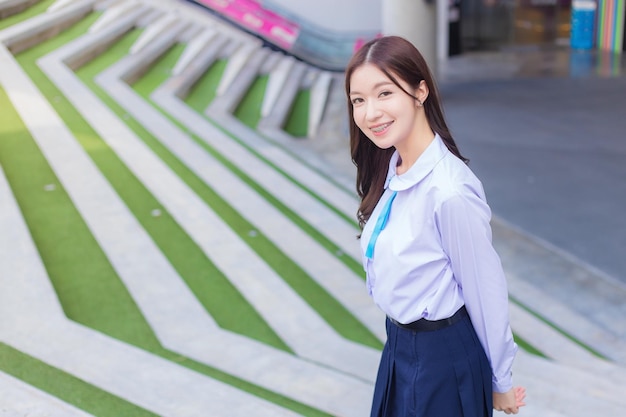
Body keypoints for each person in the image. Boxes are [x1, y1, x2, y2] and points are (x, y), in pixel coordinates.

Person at [345, 35, 526, 416]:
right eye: (358, 100)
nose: (370, 112)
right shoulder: (391, 168)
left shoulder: (449, 191)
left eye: (384, 93)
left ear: (420, 91)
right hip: (399, 346)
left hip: (442, 358)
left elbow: (484, 288)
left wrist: (501, 381)